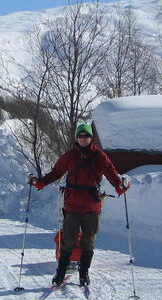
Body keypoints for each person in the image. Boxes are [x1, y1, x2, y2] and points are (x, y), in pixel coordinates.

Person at [28, 122, 129, 287]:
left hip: (91, 205)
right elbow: (56, 172)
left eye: (87, 136)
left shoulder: (99, 156)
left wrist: (120, 185)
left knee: (88, 240)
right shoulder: (69, 156)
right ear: (77, 138)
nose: (83, 139)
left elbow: (112, 173)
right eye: (81, 136)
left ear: (91, 138)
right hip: (72, 204)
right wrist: (40, 183)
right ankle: (60, 274)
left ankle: (84, 274)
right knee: (68, 239)